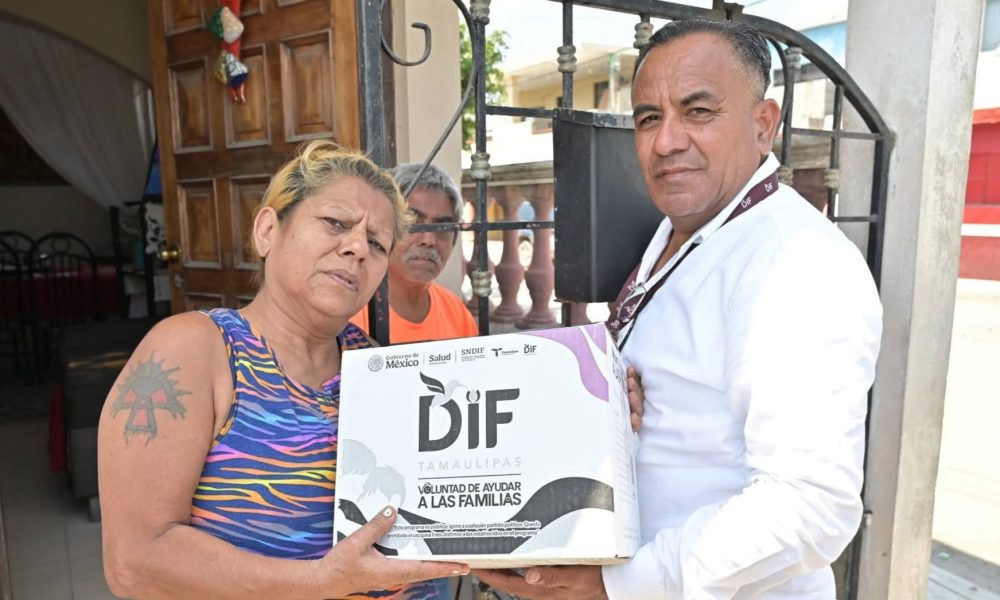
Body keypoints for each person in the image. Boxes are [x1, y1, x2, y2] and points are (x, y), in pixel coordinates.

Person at [475, 18, 883, 600]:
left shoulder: (797, 263)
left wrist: (617, 584)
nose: (666, 141)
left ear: (763, 124)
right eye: (649, 118)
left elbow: (810, 505)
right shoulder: (685, 230)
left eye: (698, 111)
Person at [97, 141, 468, 600]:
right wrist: (322, 582)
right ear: (267, 230)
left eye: (376, 243)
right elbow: (134, 562)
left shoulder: (378, 369)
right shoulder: (193, 351)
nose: (357, 248)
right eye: (335, 223)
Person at [350, 163, 478, 344]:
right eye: (413, 223)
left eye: (442, 226)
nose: (429, 240)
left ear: (455, 238)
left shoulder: (456, 312)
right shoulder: (349, 312)